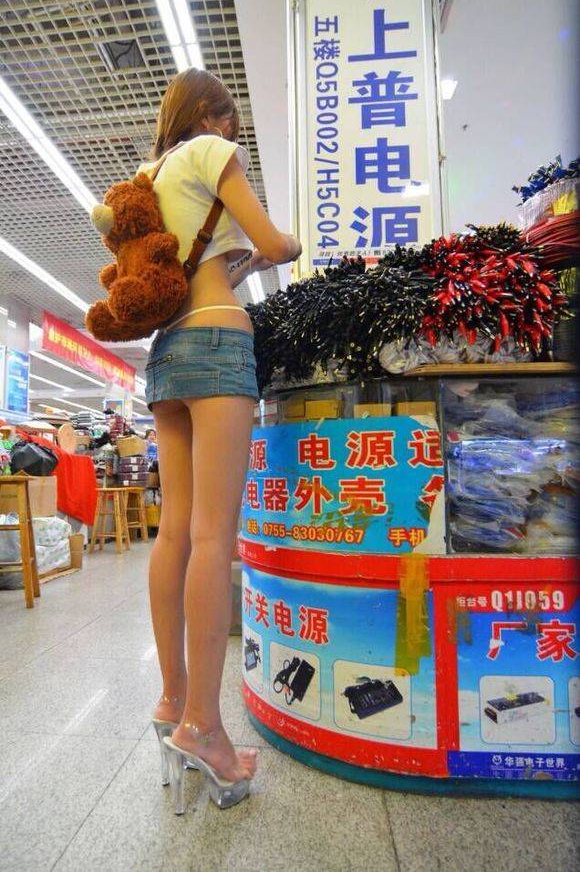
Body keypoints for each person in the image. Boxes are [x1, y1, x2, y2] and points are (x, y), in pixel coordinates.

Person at [143, 68, 301, 810]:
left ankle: (173, 700)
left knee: (174, 531)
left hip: (167, 354)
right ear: (208, 115)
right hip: (217, 346)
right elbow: (278, 242)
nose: (233, 131)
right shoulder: (211, 153)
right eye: (229, 119)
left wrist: (240, 266)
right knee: (214, 536)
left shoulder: (147, 179)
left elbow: (189, 279)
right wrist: (279, 245)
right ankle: (205, 728)